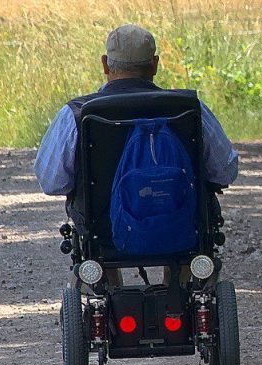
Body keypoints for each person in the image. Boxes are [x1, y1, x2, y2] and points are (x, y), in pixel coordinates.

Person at [34, 24, 239, 287]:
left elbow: (52, 182)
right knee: (195, 237)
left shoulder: (77, 114)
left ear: (106, 65)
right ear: (154, 65)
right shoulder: (189, 109)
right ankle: (181, 297)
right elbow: (225, 171)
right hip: (184, 227)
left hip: (105, 233)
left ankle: (108, 305)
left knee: (94, 244)